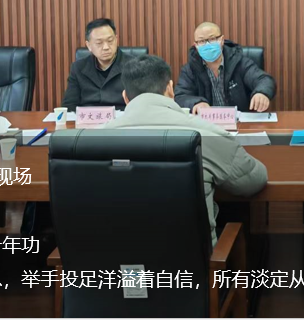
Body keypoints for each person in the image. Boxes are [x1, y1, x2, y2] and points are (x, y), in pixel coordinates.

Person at [103, 54, 267, 244]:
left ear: (125, 97)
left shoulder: (92, 141)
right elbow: (253, 180)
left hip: (110, 258)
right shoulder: (208, 134)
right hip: (190, 259)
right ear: (170, 89)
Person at [174, 22, 277, 113]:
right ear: (196, 45)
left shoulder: (239, 62)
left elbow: (264, 80)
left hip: (240, 123)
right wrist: (196, 103)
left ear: (222, 40)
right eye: (202, 41)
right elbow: (180, 96)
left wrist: (261, 92)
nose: (207, 44)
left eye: (212, 39)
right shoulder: (190, 69)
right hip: (206, 124)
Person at [62, 18, 133, 110]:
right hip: (88, 117)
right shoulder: (78, 68)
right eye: (99, 43)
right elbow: (69, 106)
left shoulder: (134, 66)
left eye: (110, 41)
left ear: (116, 39)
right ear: (89, 45)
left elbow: (142, 104)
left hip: (122, 117)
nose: (106, 47)